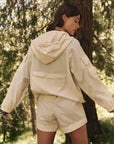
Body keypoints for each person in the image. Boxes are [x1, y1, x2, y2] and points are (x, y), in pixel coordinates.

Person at [0, 3, 114, 144]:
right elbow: (88, 78)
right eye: (76, 21)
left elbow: (21, 76)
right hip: (69, 105)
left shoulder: (35, 45)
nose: (77, 26)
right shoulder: (71, 44)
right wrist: (110, 104)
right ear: (64, 18)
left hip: (44, 108)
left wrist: (7, 107)